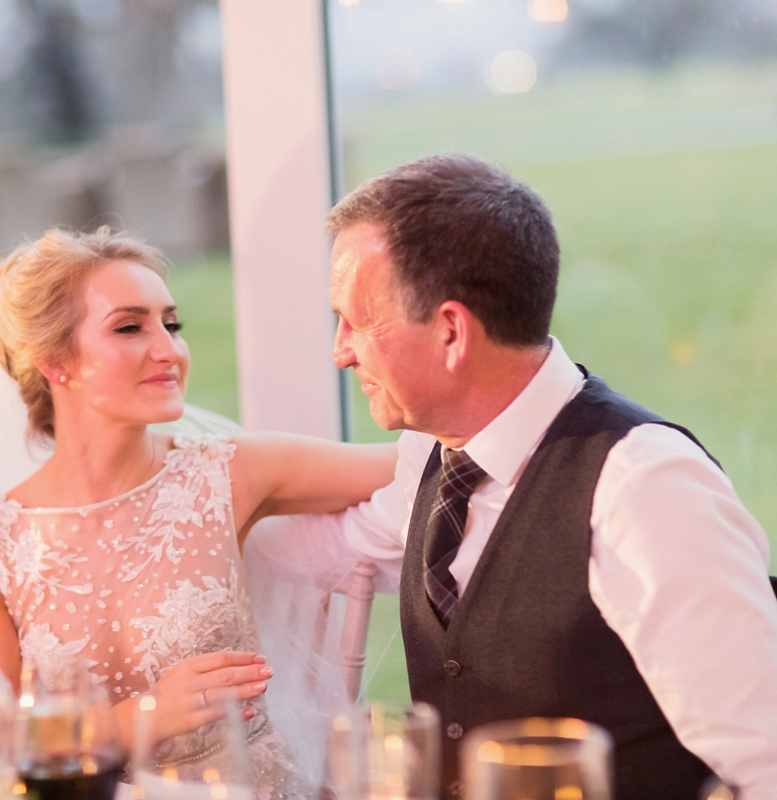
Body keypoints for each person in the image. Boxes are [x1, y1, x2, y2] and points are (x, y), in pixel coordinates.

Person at [330, 154, 777, 799]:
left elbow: (764, 765)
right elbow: (325, 547)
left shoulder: (646, 489)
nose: (340, 350)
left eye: (356, 321)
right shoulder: (431, 459)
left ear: (452, 332)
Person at [0, 227, 396, 798]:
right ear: (56, 362)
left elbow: (415, 465)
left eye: (171, 324)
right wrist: (141, 716)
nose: (169, 350)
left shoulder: (232, 473)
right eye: (131, 327)